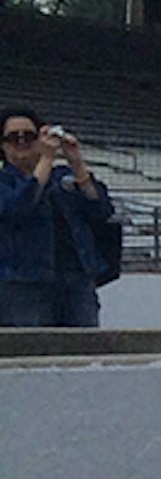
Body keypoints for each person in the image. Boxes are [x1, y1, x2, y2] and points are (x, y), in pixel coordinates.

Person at [0, 109, 116, 330]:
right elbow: (19, 207)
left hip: (76, 279)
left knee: (84, 350)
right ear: (3, 145)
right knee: (31, 349)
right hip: (22, 282)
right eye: (14, 138)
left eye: (29, 136)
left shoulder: (62, 177)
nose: (22, 142)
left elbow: (101, 210)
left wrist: (76, 163)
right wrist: (46, 159)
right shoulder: (4, 182)